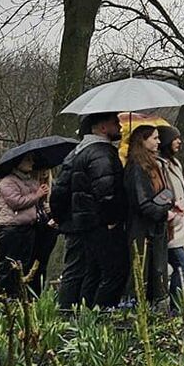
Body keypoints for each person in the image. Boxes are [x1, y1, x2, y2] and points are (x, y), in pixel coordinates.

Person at [54, 113, 128, 308]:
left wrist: (63, 218)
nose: (120, 126)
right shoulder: (101, 153)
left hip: (78, 222)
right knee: (113, 271)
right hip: (98, 223)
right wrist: (112, 218)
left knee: (79, 271)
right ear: (102, 128)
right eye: (115, 123)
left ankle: (70, 314)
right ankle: (98, 315)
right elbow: (106, 191)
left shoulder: (77, 152)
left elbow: (60, 190)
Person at [124, 123, 175, 309]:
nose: (158, 142)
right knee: (143, 274)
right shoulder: (138, 168)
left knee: (156, 272)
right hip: (143, 230)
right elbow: (143, 202)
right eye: (154, 138)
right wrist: (164, 212)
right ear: (142, 141)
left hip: (154, 229)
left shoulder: (155, 165)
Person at [0, 154, 55, 299]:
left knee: (26, 264)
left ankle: (23, 295)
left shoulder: (31, 181)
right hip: (12, 228)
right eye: (27, 160)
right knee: (9, 264)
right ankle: (5, 296)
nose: (31, 163)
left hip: (29, 227)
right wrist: (37, 195)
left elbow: (37, 203)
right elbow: (16, 202)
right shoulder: (7, 182)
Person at [158, 128, 184, 310]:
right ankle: (176, 308)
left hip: (179, 222)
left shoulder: (174, 163)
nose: (179, 142)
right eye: (175, 138)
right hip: (170, 224)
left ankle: (178, 306)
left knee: (183, 264)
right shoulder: (160, 165)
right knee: (183, 264)